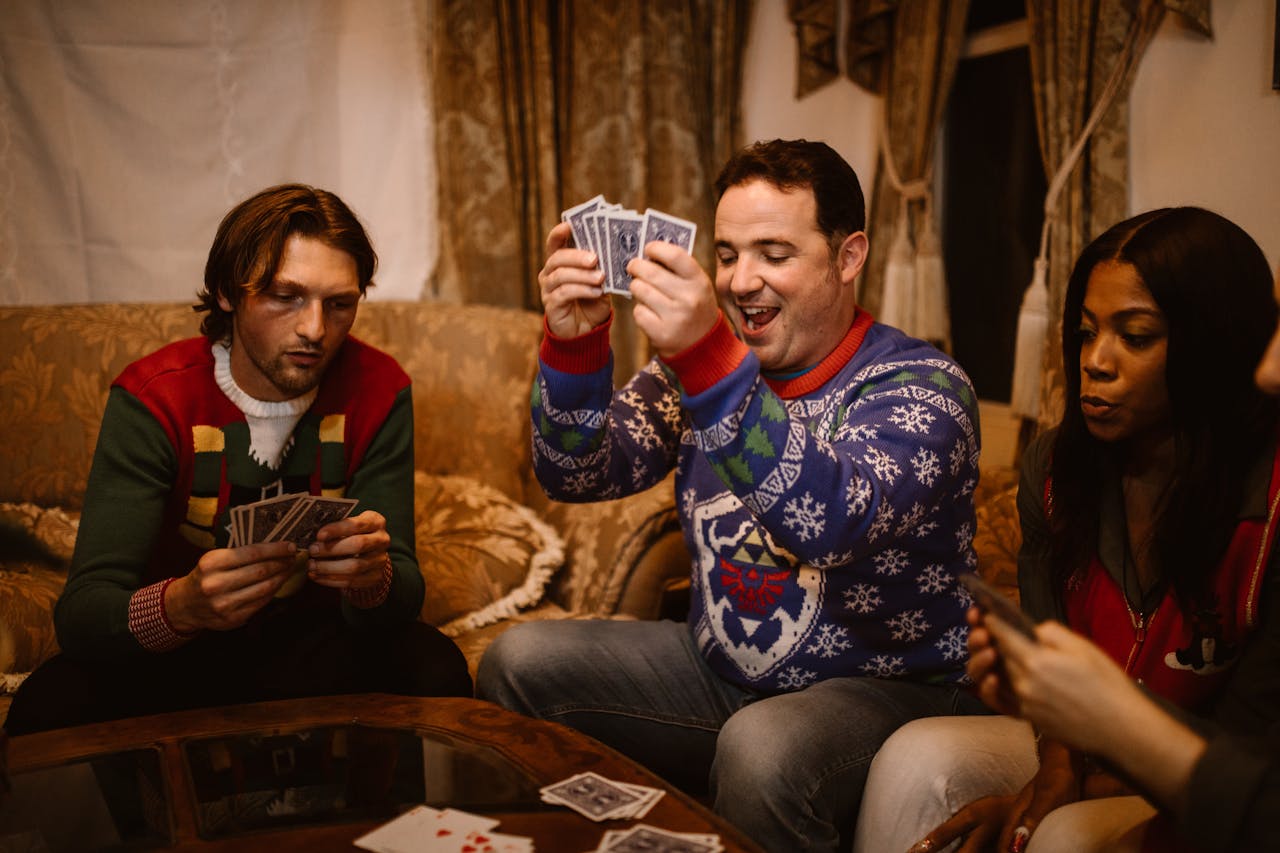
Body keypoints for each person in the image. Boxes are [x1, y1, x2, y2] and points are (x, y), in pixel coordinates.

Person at [476, 139, 987, 852]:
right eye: (726, 254)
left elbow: (832, 519)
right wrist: (576, 343)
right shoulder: (694, 374)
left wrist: (709, 361)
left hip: (884, 685)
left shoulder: (924, 389)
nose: (740, 281)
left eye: (773, 254)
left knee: (763, 745)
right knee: (519, 662)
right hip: (717, 669)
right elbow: (580, 473)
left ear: (848, 257)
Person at [853, 207, 1280, 853]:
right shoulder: (1054, 468)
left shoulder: (1269, 508)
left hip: (1204, 768)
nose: (1096, 362)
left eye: (1135, 336)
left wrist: (1051, 801)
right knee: (913, 762)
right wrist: (1053, 768)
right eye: (1085, 332)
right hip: (1078, 741)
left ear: (1213, 344)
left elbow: (1244, 760)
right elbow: (1044, 646)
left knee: (1065, 835)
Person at [4, 184, 471, 734]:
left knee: (434, 667)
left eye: (339, 303)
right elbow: (82, 614)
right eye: (284, 296)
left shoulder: (381, 388)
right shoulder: (155, 397)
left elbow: (401, 598)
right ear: (227, 293)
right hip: (181, 655)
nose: (315, 329)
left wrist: (372, 577)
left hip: (315, 646)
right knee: (50, 704)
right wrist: (180, 607)